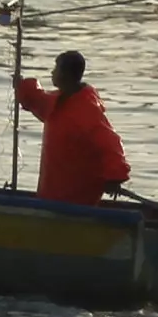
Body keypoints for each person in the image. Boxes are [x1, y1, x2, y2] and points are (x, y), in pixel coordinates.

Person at [13, 49, 130, 205]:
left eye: (56, 69)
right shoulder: (60, 101)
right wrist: (23, 87)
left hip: (76, 194)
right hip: (53, 190)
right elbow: (39, 101)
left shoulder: (87, 110)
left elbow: (110, 143)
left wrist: (115, 177)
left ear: (66, 74)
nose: (52, 72)